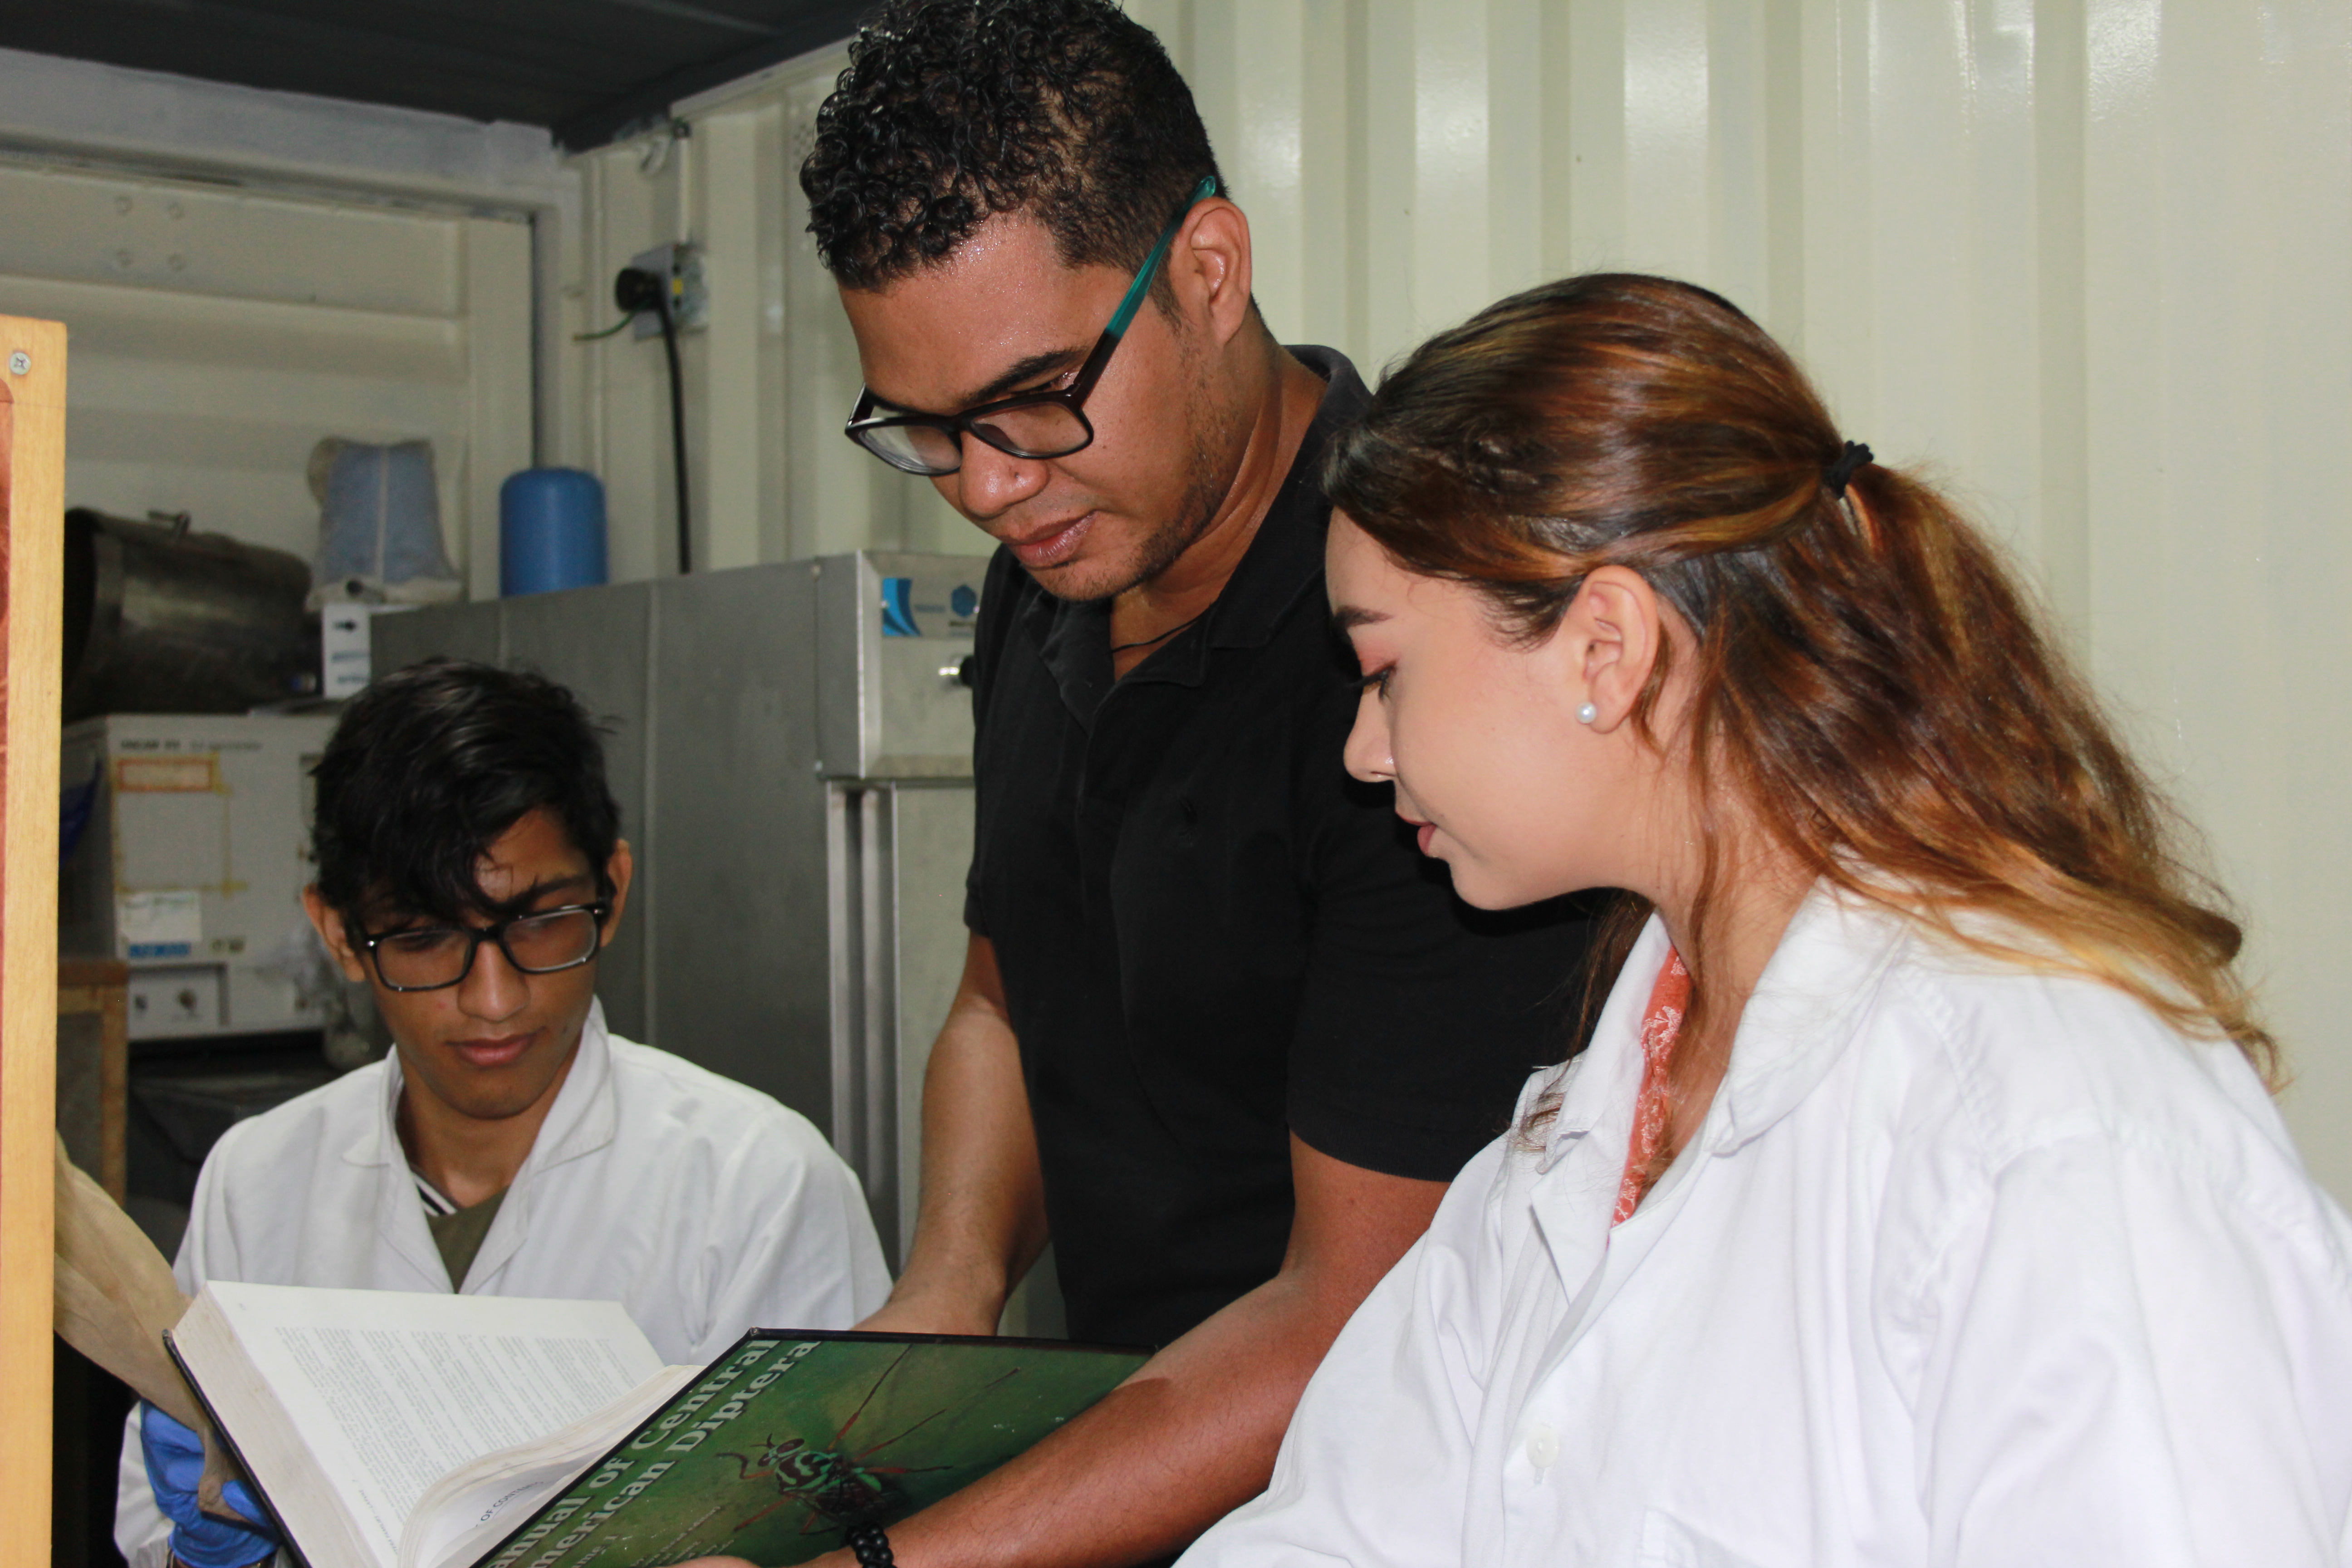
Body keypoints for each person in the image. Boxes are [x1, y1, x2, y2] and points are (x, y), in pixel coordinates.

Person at [1176, 273, 2352, 1568]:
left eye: (1385, 671)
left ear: (1606, 649)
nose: (1361, 749)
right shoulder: (1578, 1136)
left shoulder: (2053, 1127)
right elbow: (1341, 1531)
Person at [786, 1, 1597, 1563]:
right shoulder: (1056, 567)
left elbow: (1351, 1313)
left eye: (1032, 398)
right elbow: (1004, 999)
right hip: (1100, 1475)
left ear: (1208, 273)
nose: (989, 487)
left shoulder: (1411, 668)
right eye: (929, 430)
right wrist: (953, 1278)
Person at [116, 658, 890, 1568]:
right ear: (337, 935)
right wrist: (208, 1546)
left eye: (540, 921)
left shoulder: (758, 1183)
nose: (494, 999)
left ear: (613, 891)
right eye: (422, 936)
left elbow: (862, 1518)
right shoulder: (259, 1180)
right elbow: (151, 1531)